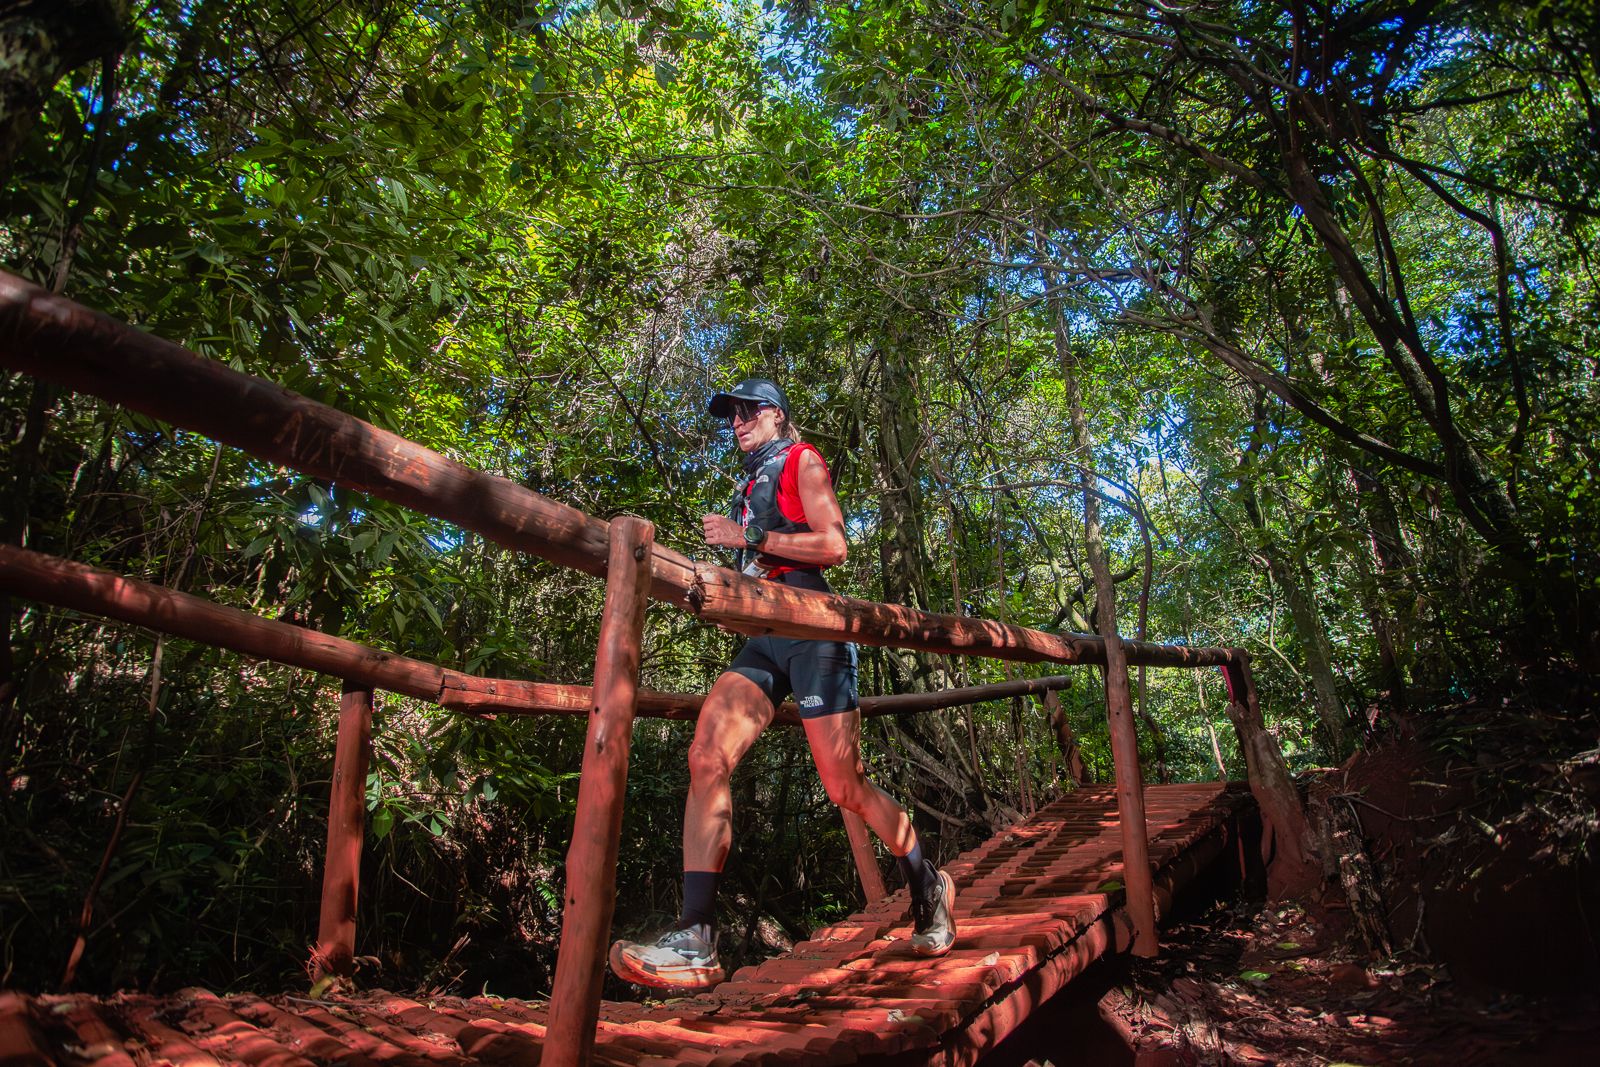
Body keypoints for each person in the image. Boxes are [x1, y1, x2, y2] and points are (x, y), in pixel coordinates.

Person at [608, 377, 956, 991]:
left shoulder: (802, 459)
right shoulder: (751, 478)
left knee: (844, 786)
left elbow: (834, 544)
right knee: (705, 755)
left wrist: (756, 539)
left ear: (774, 414)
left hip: (815, 632)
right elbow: (753, 562)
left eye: (745, 413)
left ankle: (926, 881)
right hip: (764, 635)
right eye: (730, 416)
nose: (735, 423)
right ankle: (697, 938)